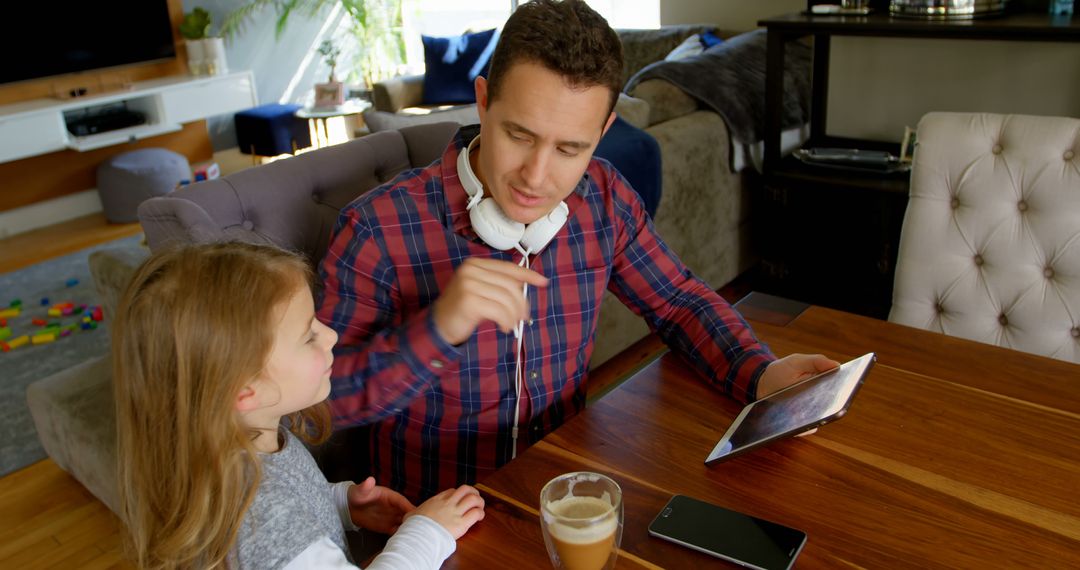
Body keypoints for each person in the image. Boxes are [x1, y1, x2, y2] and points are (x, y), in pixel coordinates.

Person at [318, 0, 838, 501]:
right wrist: (436, 330)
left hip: (562, 495)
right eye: (519, 135)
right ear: (482, 100)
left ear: (603, 131)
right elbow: (322, 405)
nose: (537, 177)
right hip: (431, 525)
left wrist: (759, 371)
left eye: (570, 149)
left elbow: (679, 301)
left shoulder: (603, 198)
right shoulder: (377, 228)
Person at [112, 242, 485, 570]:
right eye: (309, 335)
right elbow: (273, 524)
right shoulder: (262, 515)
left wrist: (338, 503)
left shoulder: (249, 442)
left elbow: (285, 513)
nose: (331, 335)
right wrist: (428, 532)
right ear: (244, 388)